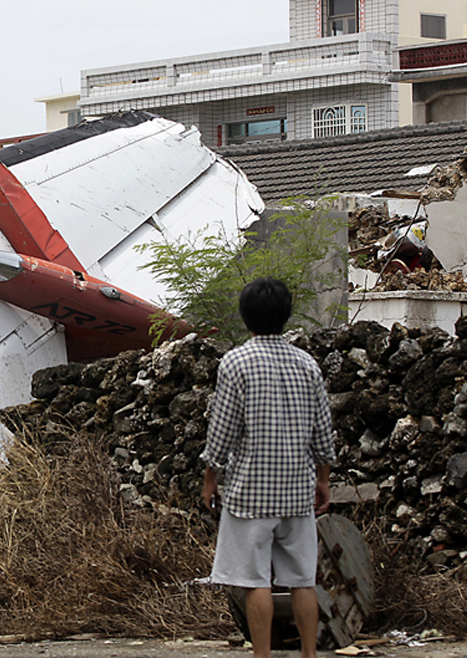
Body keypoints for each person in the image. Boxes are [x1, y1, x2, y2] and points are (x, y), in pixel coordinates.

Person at [200, 277, 336, 658]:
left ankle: (262, 656)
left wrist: (210, 478)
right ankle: (309, 654)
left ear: (246, 318)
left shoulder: (236, 363)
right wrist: (323, 479)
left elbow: (222, 429)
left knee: (253, 581)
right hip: (297, 491)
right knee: (302, 581)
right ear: (286, 315)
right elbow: (323, 430)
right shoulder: (307, 365)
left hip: (249, 494)